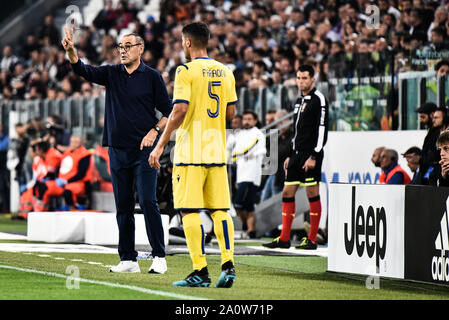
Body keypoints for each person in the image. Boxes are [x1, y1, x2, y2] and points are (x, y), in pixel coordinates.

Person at [62, 27, 172, 274]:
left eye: (127, 46)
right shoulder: (112, 73)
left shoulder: (152, 77)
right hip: (117, 150)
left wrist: (154, 131)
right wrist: (71, 51)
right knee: (123, 206)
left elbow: (168, 112)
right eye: (120, 47)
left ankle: (159, 256)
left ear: (140, 48)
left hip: (144, 150)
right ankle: (128, 259)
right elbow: (82, 69)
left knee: (147, 201)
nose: (122, 51)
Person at [149, 22, 237, 288]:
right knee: (220, 210)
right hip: (216, 150)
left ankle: (200, 270)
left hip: (190, 152)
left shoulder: (185, 70)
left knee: (188, 211)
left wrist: (161, 143)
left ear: (187, 42)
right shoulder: (226, 71)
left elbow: (179, 111)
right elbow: (230, 115)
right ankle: (228, 265)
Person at [263, 64, 329, 250]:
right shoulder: (299, 101)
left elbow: (323, 129)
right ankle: (284, 238)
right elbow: (296, 131)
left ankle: (313, 239)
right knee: (287, 192)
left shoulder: (319, 99)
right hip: (297, 154)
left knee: (311, 193)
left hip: (310, 155)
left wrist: (314, 156)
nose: (301, 81)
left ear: (312, 79)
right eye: (299, 78)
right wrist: (291, 154)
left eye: (304, 78)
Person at [231, 110, 266, 239]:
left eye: (249, 119)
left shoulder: (258, 133)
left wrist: (254, 155)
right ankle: (251, 231)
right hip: (241, 173)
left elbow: (263, 149)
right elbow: (234, 151)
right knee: (248, 204)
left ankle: (247, 226)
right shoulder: (239, 134)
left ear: (255, 121)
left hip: (252, 174)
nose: (246, 121)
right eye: (245, 119)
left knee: (238, 203)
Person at [33, 136, 93, 211]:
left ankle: (72, 209)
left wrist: (67, 181)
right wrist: (57, 179)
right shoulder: (66, 153)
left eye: (76, 142)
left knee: (68, 192)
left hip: (77, 183)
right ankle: (40, 211)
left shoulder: (84, 154)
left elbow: (81, 174)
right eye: (72, 142)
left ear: (81, 143)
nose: (73, 144)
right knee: (43, 187)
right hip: (62, 182)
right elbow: (59, 168)